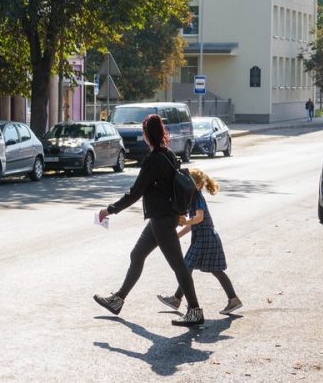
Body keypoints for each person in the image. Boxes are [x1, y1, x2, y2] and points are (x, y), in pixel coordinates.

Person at [94, 114, 205, 326]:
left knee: (178, 265)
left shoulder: (153, 161)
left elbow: (135, 193)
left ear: (147, 135)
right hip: (162, 217)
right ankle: (118, 300)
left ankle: (195, 310)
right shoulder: (170, 155)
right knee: (137, 254)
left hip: (162, 220)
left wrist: (109, 210)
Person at [156, 168, 241, 315]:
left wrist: (186, 221)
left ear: (197, 184)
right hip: (206, 237)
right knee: (213, 270)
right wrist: (177, 235)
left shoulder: (196, 197)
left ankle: (176, 299)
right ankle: (233, 299)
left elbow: (199, 218)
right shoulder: (193, 197)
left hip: (205, 238)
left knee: (186, 267)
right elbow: (193, 224)